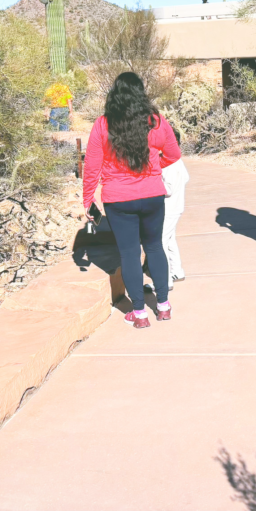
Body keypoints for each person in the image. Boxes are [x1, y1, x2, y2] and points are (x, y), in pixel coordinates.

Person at [82, 72, 180, 328]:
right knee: (155, 247)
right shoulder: (155, 122)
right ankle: (164, 306)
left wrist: (87, 200)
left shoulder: (103, 125)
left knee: (129, 253)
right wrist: (155, 166)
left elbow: (91, 166)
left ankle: (139, 314)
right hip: (152, 195)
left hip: (118, 199)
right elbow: (173, 154)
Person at [161, 125, 190, 288]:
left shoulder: (169, 164)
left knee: (161, 242)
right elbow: (185, 178)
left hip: (169, 208)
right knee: (170, 239)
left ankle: (165, 280)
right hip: (175, 207)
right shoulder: (177, 161)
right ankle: (176, 270)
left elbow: (168, 189)